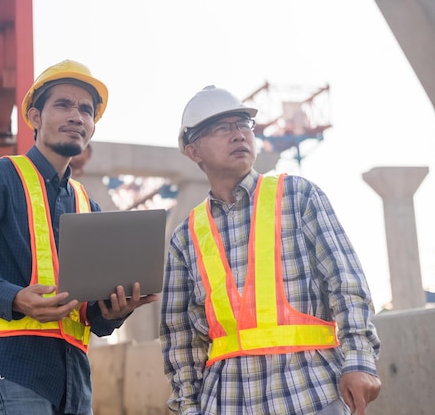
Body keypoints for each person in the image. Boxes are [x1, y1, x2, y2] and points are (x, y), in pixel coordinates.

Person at [0, 59, 158, 415]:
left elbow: (92, 317)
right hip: (14, 365)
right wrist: (15, 298)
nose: (76, 116)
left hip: (75, 377)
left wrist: (116, 310)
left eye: (86, 110)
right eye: (63, 104)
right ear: (35, 117)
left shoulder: (89, 205)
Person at [159, 85, 381, 415]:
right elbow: (180, 338)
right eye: (222, 127)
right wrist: (189, 408)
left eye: (243, 125)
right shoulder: (185, 237)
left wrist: (360, 361)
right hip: (227, 403)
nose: (238, 135)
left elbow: (346, 284)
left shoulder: (298, 196)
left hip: (312, 394)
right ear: (193, 151)